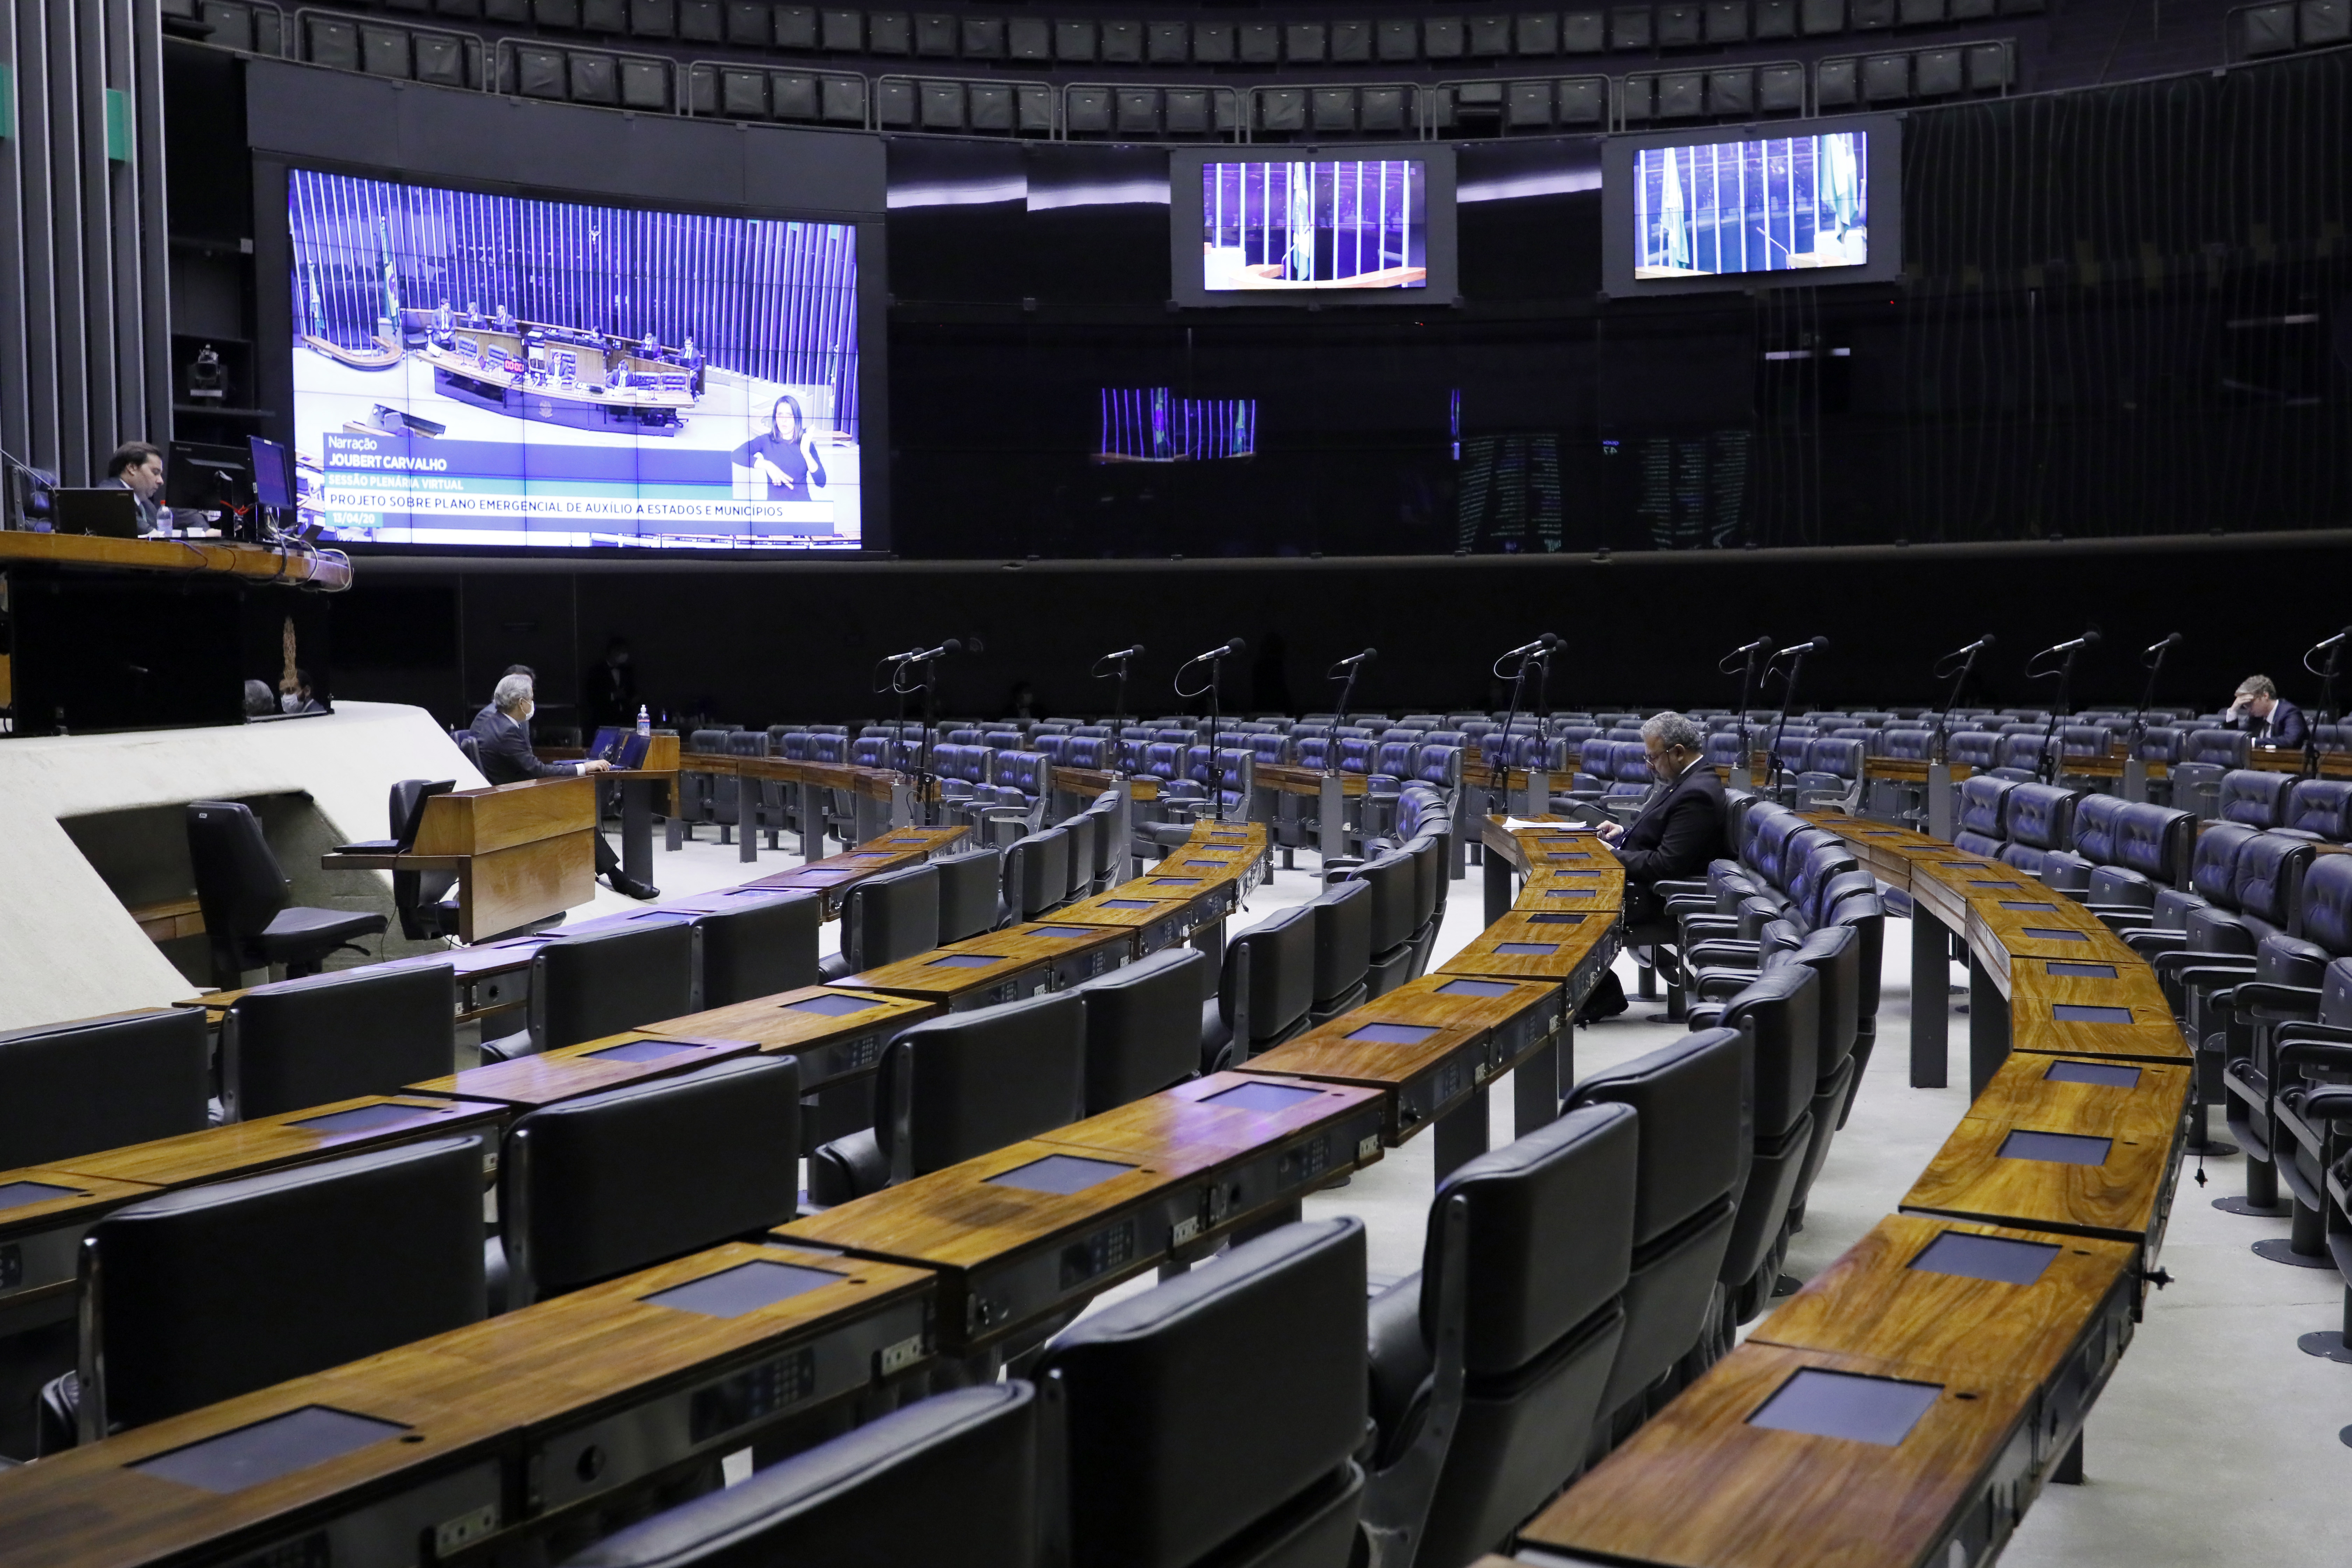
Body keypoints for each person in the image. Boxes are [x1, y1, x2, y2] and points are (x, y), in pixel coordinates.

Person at [1580, 710, 1728, 1022]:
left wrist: (1611, 856)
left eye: (1653, 758)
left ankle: (1602, 993)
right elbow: (1662, 835)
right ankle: (1595, 990)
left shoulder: (1698, 792)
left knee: (1563, 900)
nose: (1650, 766)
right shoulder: (1685, 780)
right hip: (1641, 885)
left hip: (1657, 899)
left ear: (1677, 752)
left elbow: (1667, 864)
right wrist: (1624, 835)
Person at [470, 672, 659, 899]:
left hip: (508, 796)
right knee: (575, 811)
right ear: (522, 703)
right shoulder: (507, 731)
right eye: (531, 698)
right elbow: (538, 771)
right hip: (513, 805)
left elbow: (530, 768)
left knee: (574, 809)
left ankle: (614, 876)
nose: (533, 703)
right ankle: (617, 878)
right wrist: (583, 769)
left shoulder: (495, 724)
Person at [731, 395, 827, 501]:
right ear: (775, 417)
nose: (784, 420)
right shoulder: (766, 441)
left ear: (797, 418)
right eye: (780, 415)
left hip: (802, 509)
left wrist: (806, 453)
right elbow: (736, 455)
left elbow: (821, 482)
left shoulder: (806, 443)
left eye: (789, 415)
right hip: (776, 511)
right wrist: (768, 465)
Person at [99, 442, 167, 536]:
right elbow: (151, 533)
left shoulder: (147, 505)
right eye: (155, 473)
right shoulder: (109, 494)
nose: (161, 481)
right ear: (132, 468)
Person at [2225, 675, 2306, 748]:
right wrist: (2233, 710)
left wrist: (2253, 742)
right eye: (2245, 705)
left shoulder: (2290, 713)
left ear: (2265, 696)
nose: (2248, 709)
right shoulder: (2256, 717)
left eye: (2250, 703)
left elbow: (2290, 741)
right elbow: (2235, 739)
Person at [583, 637, 640, 732]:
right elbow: (593, 697)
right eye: (622, 652)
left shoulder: (627, 671)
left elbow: (631, 691)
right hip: (604, 721)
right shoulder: (597, 671)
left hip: (626, 721)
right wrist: (613, 696)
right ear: (613, 652)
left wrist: (633, 699)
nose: (625, 655)